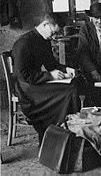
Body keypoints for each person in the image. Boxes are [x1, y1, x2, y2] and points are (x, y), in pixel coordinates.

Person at [12, 12, 79, 145]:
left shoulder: (44, 40)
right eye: (53, 33)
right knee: (68, 92)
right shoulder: (23, 43)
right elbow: (23, 75)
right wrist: (49, 75)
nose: (54, 37)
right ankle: (55, 134)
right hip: (27, 88)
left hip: (36, 82)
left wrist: (66, 69)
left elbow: (51, 65)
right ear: (45, 24)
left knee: (74, 85)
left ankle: (68, 132)